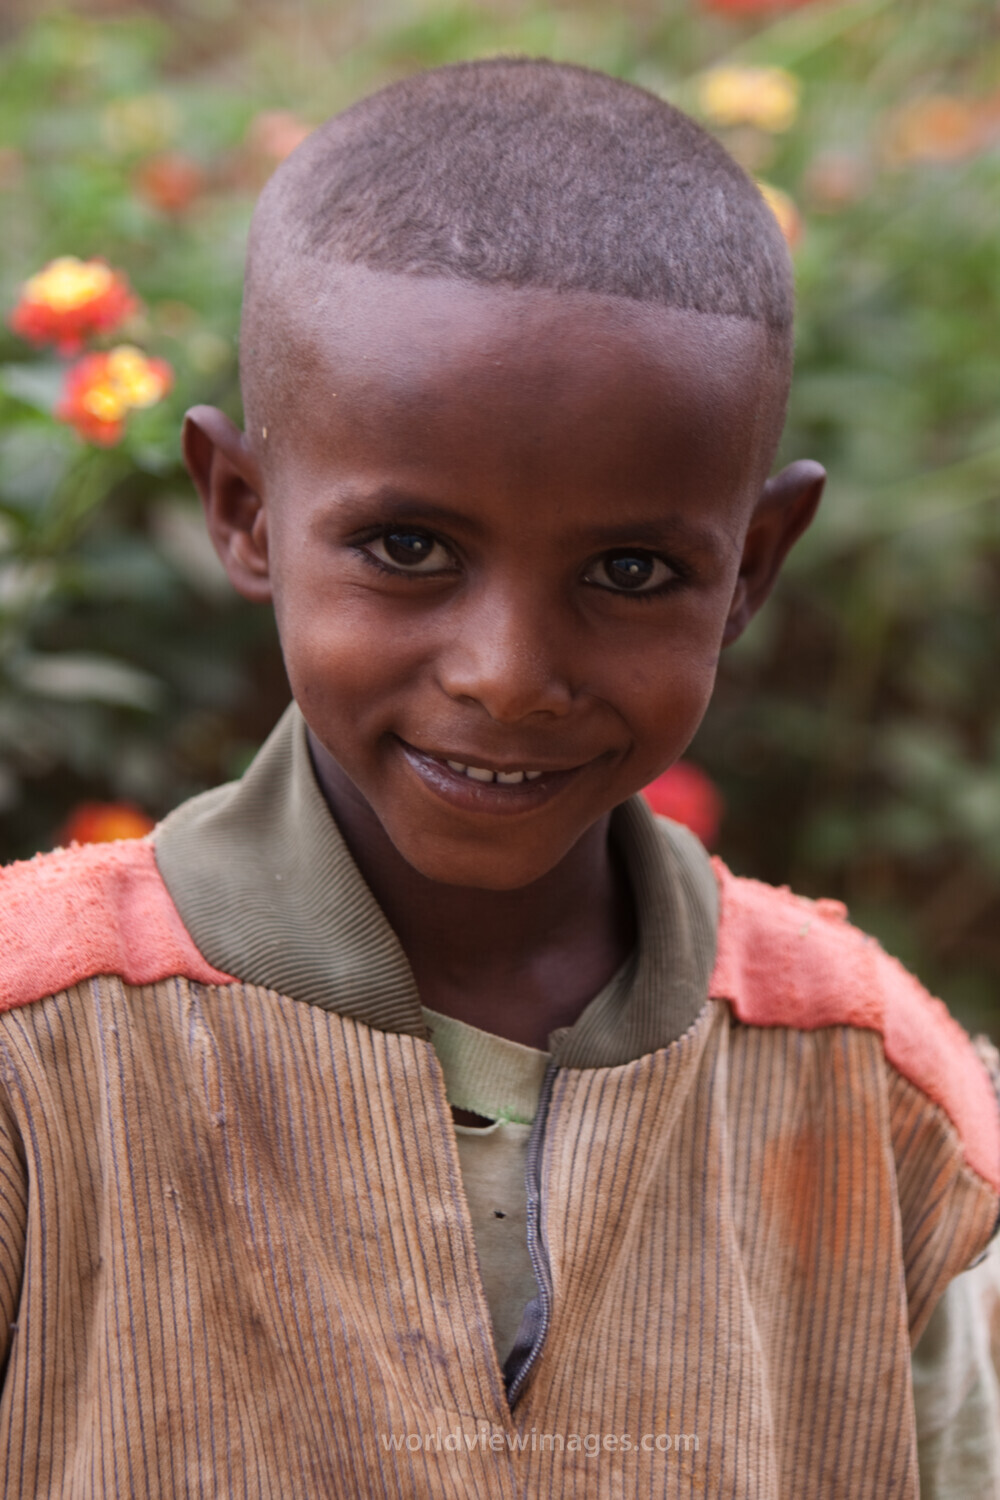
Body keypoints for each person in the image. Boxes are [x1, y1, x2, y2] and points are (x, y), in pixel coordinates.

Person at [1, 58, 997, 1498]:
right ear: (243, 512)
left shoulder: (873, 1099)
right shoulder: (38, 1059)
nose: (509, 671)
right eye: (409, 549)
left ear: (752, 570)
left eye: (631, 570)